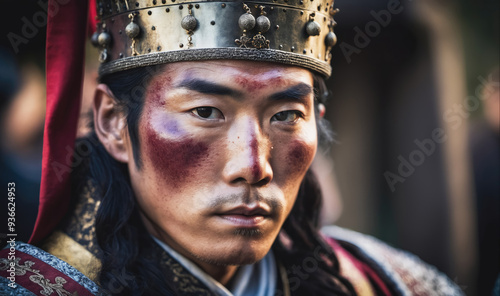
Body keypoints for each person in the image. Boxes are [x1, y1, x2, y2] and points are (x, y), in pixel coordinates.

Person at [0, 0, 463, 295]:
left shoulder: (385, 283)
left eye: (285, 116)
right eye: (206, 112)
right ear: (113, 121)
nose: (253, 166)